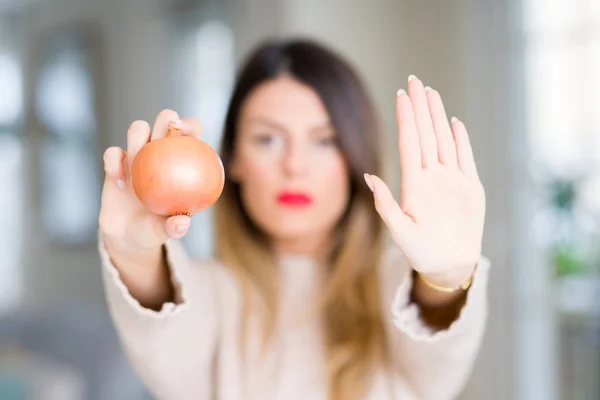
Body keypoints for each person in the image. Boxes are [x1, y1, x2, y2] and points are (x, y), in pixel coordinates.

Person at [98, 39, 489, 400]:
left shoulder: (393, 288)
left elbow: (436, 355)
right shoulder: (212, 295)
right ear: (232, 159)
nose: (295, 166)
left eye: (325, 141)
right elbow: (167, 340)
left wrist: (445, 281)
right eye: (268, 139)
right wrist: (133, 254)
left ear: (355, 156)